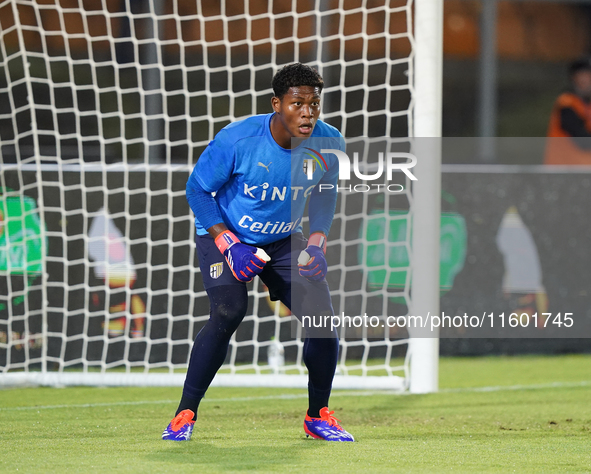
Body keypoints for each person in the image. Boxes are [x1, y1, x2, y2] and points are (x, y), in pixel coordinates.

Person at [162, 63, 354, 442]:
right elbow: (197, 191)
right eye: (298, 103)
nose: (308, 112)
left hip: (284, 240)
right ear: (276, 104)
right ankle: (184, 414)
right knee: (229, 312)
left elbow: (325, 191)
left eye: (314, 104)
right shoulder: (237, 140)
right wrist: (228, 243)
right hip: (226, 234)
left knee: (323, 321)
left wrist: (317, 241)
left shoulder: (330, 142)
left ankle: (318, 416)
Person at [545, 57, 591, 164]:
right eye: (582, 76)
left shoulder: (586, 105)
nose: (585, 81)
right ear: (574, 79)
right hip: (564, 171)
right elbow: (582, 140)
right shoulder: (566, 103)